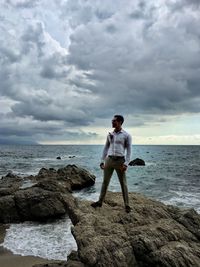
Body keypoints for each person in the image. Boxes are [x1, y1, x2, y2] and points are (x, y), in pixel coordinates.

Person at [91, 115, 132, 213]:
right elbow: (106, 148)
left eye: (114, 121)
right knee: (105, 182)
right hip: (109, 160)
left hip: (120, 161)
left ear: (120, 122)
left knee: (123, 183)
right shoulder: (110, 134)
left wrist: (126, 163)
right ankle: (100, 202)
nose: (112, 122)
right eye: (112, 121)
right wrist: (102, 161)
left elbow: (129, 150)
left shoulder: (126, 135)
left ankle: (127, 205)